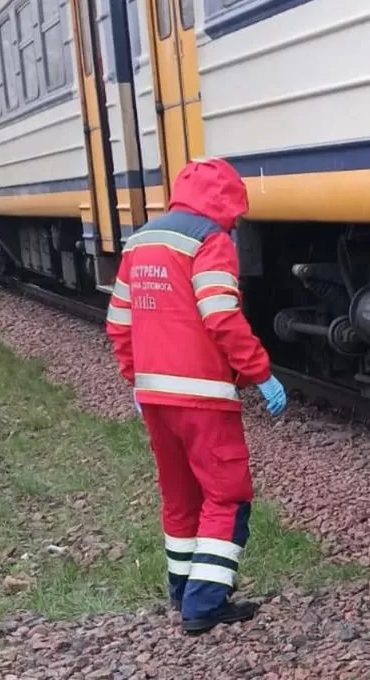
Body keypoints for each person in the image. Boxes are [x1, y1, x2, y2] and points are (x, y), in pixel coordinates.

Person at [104, 158, 287, 635]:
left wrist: (136, 380)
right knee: (227, 495)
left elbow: (119, 323)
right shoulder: (211, 241)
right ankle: (205, 605)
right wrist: (260, 373)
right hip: (205, 397)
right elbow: (220, 315)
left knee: (180, 496)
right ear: (228, 203)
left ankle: (181, 589)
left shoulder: (141, 241)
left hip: (155, 398)